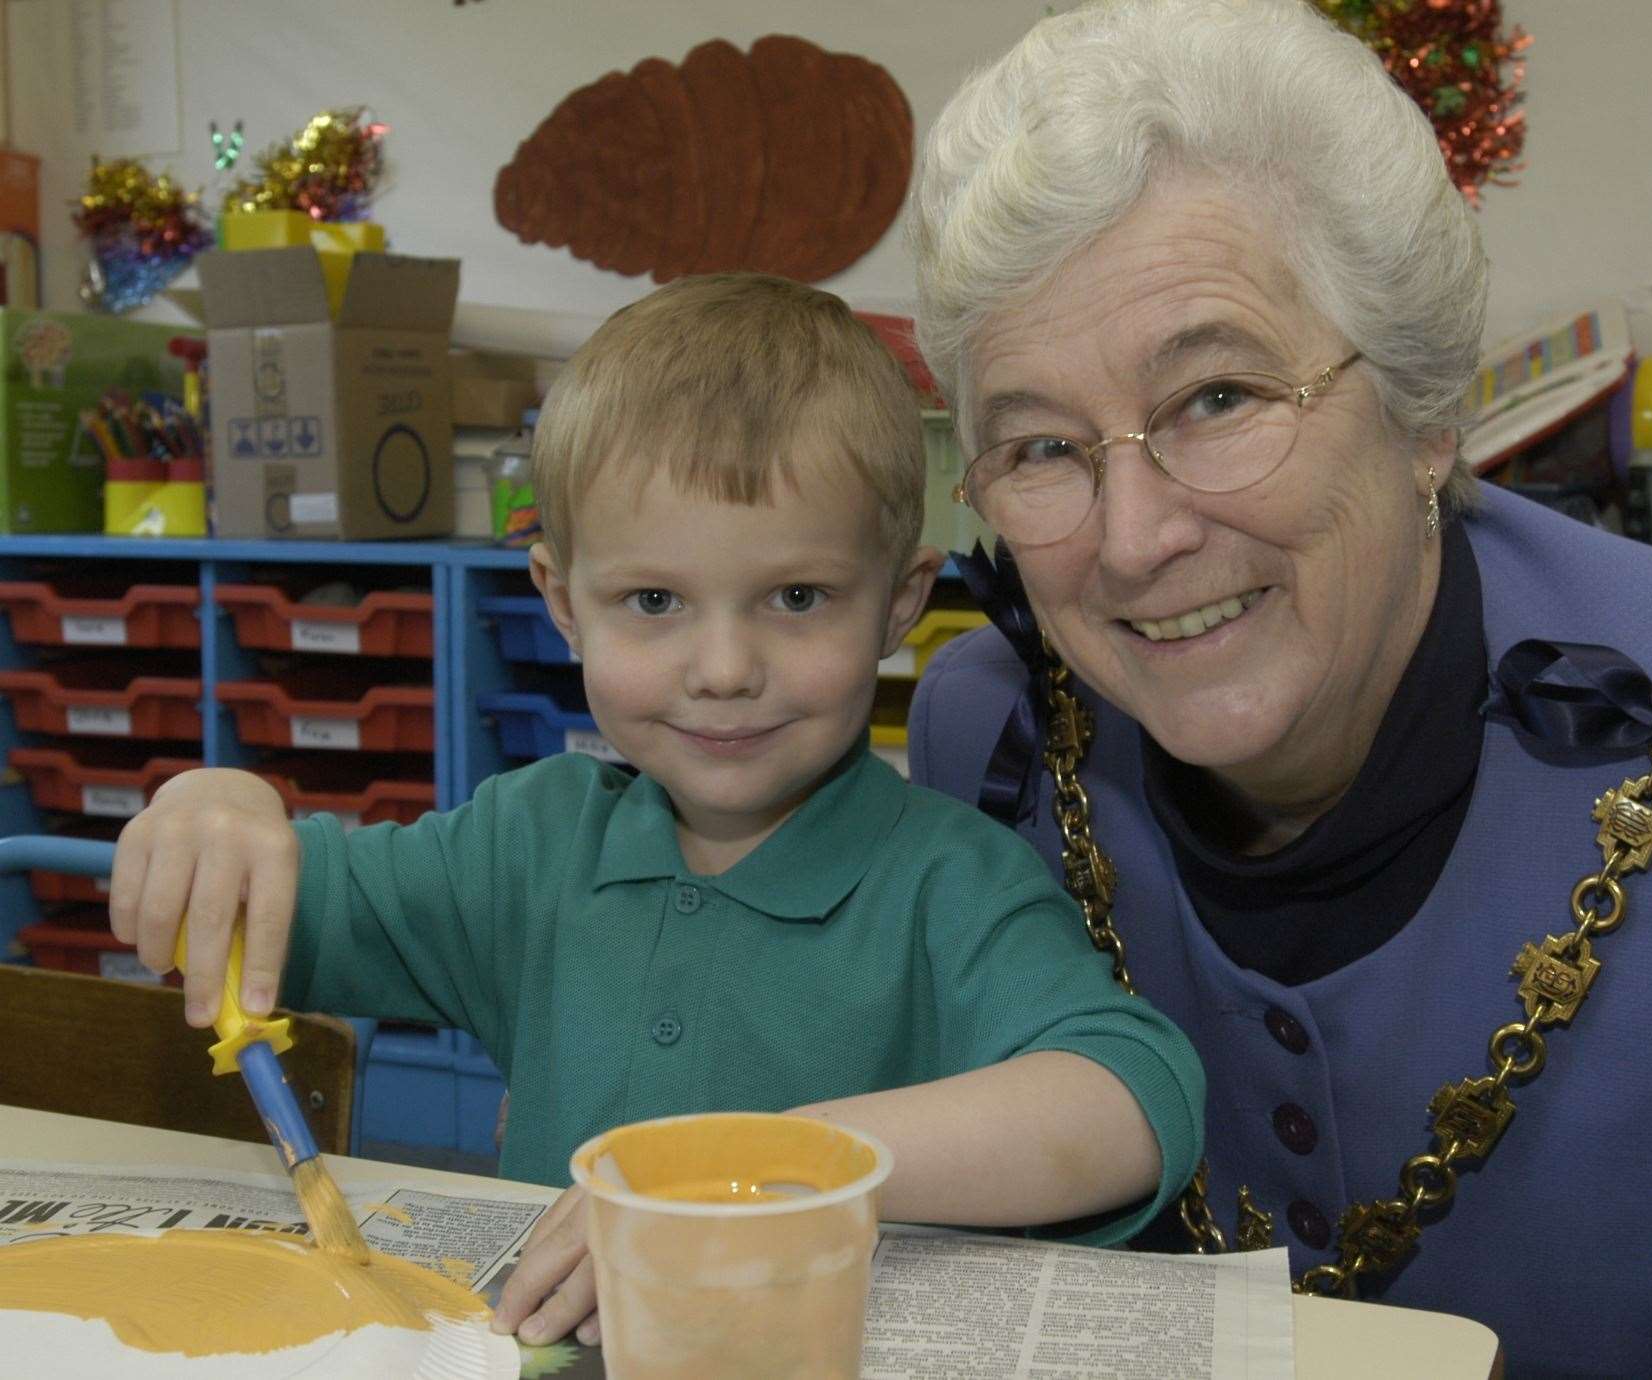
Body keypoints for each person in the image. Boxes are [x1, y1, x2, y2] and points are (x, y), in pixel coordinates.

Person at [903, 1, 1652, 1374]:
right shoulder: (979, 735)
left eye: (1217, 398)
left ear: (1420, 412)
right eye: (1041, 445)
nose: (1130, 537)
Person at [107, 274, 1206, 1347]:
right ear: (560, 602)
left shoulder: (946, 883)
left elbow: (1133, 1102)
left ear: (899, 603)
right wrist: (218, 807)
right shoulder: (526, 847)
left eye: (796, 597)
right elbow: (268, 915)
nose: (723, 669)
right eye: (653, 601)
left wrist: (791, 1162)